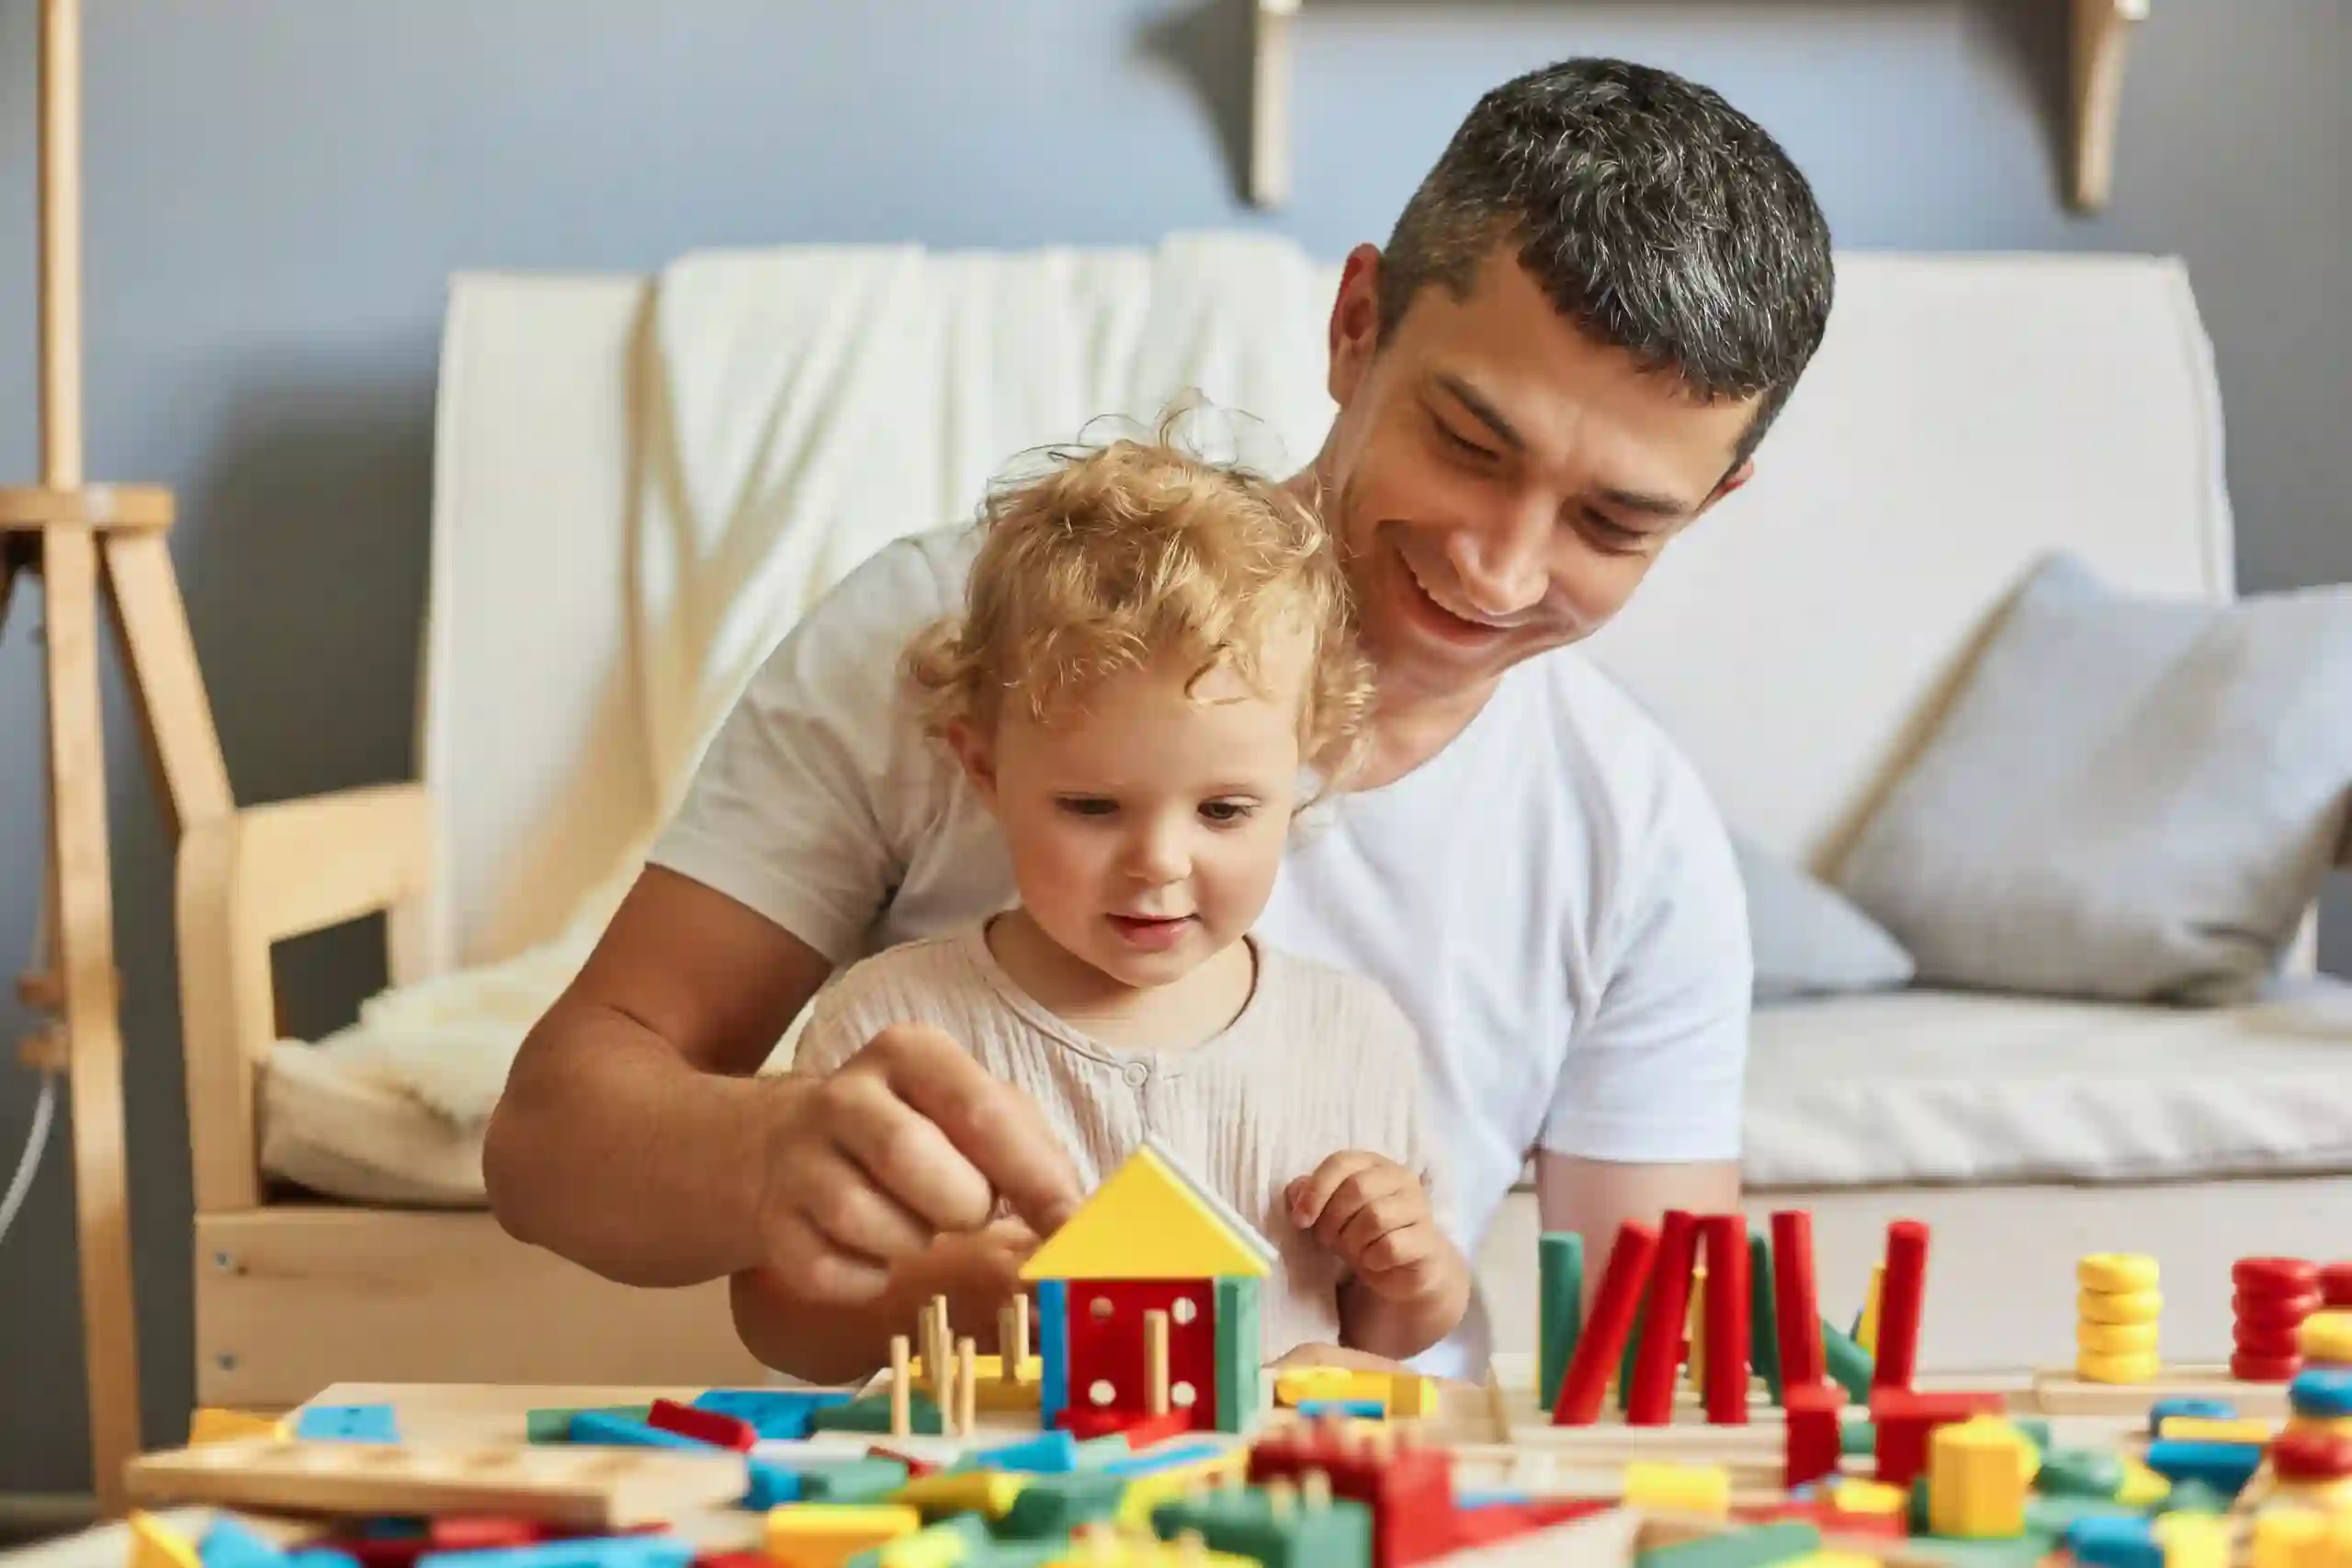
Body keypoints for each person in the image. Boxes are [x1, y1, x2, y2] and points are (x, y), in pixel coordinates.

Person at [482, 55, 1836, 1380]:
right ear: (1355, 324)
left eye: (1614, 521)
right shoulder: (951, 649)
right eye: (1471, 445)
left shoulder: (1633, 835)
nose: (1498, 565)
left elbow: (1664, 1354)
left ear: (1709, 505)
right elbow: (550, 1140)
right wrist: (774, 1160)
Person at [730, 425, 1468, 1384]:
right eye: (1090, 807)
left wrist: (1411, 1273)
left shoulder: (1353, 1034)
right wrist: (935, 1297)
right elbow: (776, 1321)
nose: (1158, 863)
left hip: (1266, 1510)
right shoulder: (891, 1024)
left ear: (1306, 775)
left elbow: (1387, 1332)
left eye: (1224, 810)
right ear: (984, 769)